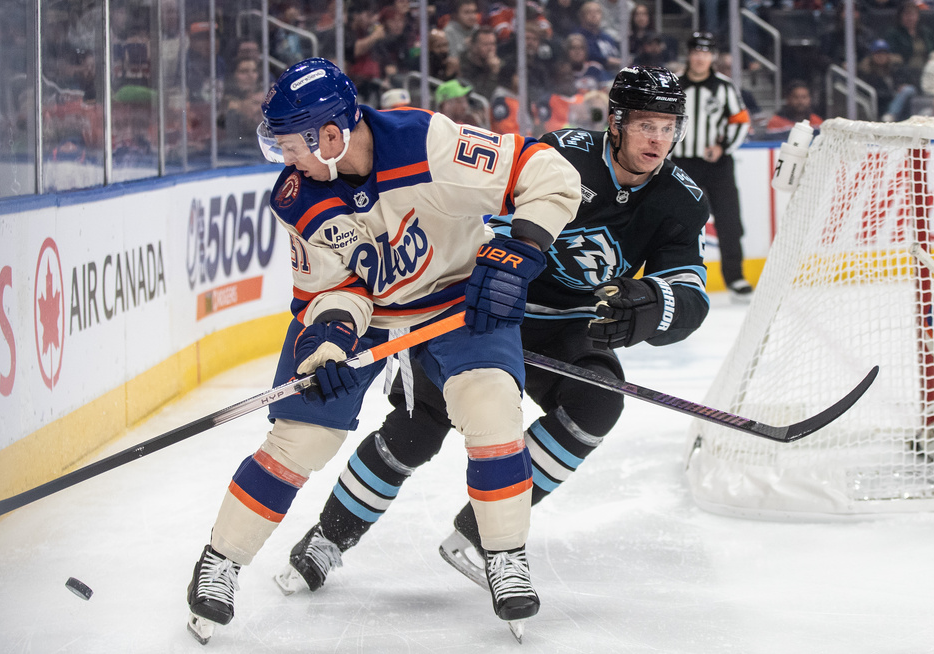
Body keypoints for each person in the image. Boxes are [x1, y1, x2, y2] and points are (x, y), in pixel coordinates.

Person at [275, 65, 710, 617]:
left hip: (569, 325)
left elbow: (688, 290)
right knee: (417, 429)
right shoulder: (566, 155)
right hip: (489, 306)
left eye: (669, 127)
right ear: (617, 122)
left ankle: (484, 534)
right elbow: (493, 215)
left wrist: (653, 309)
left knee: (599, 398)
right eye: (647, 124)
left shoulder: (681, 199)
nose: (658, 140)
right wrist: (497, 270)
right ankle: (328, 537)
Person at [184, 57, 581, 644]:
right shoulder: (297, 196)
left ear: (330, 134)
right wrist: (329, 346)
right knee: (302, 437)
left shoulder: (426, 142)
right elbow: (330, 289)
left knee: (491, 405)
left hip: (455, 301)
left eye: (289, 145)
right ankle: (220, 561)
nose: (283, 160)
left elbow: (546, 172)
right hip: (366, 318)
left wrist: (521, 251)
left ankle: (504, 555)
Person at [672, 32, 752, 302]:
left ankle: (736, 277)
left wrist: (723, 147)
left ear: (712, 57)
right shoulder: (675, 86)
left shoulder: (724, 86)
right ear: (689, 54)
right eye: (696, 52)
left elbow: (741, 120)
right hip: (682, 163)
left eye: (705, 52)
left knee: (729, 219)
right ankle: (675, 276)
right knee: (679, 221)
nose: (700, 57)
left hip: (718, 164)